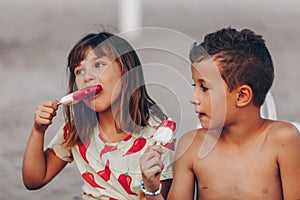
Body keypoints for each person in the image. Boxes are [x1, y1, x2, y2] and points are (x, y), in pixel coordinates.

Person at [139, 27, 300, 199]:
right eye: (195, 86)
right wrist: (152, 188)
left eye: (204, 88)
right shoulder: (192, 146)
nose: (193, 98)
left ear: (242, 96)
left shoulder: (283, 140)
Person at [22, 31, 174, 199]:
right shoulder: (78, 128)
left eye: (99, 65)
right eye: (79, 71)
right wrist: (38, 130)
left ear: (127, 72)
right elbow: (34, 179)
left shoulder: (157, 136)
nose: (87, 77)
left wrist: (150, 183)